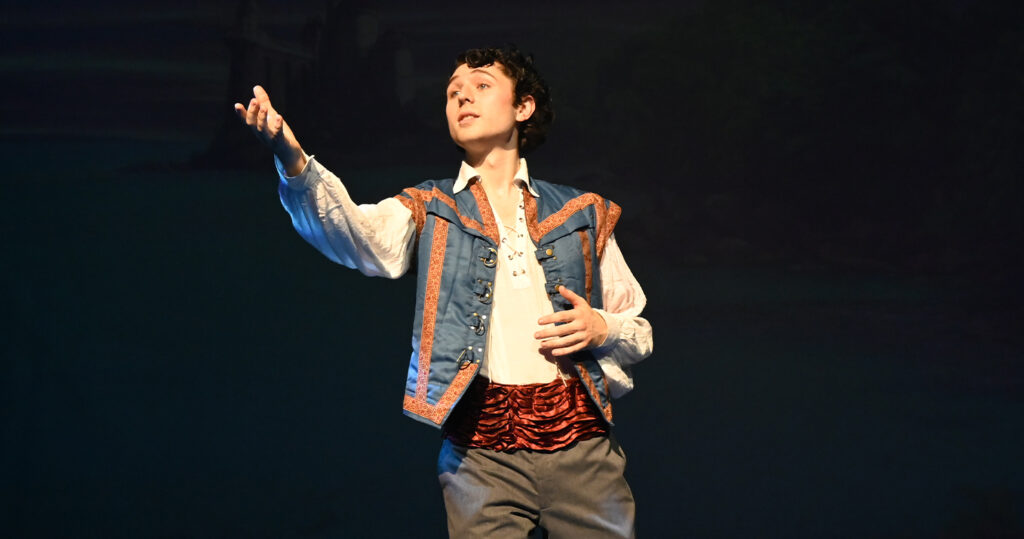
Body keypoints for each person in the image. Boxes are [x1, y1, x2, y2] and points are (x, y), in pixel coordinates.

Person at [234, 45, 652, 538]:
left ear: (523, 107)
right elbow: (355, 234)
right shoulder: (430, 207)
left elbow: (638, 330)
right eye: (453, 92)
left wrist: (602, 327)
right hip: (480, 453)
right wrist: (293, 158)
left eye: (481, 86)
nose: (462, 98)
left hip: (582, 445)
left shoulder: (582, 212)